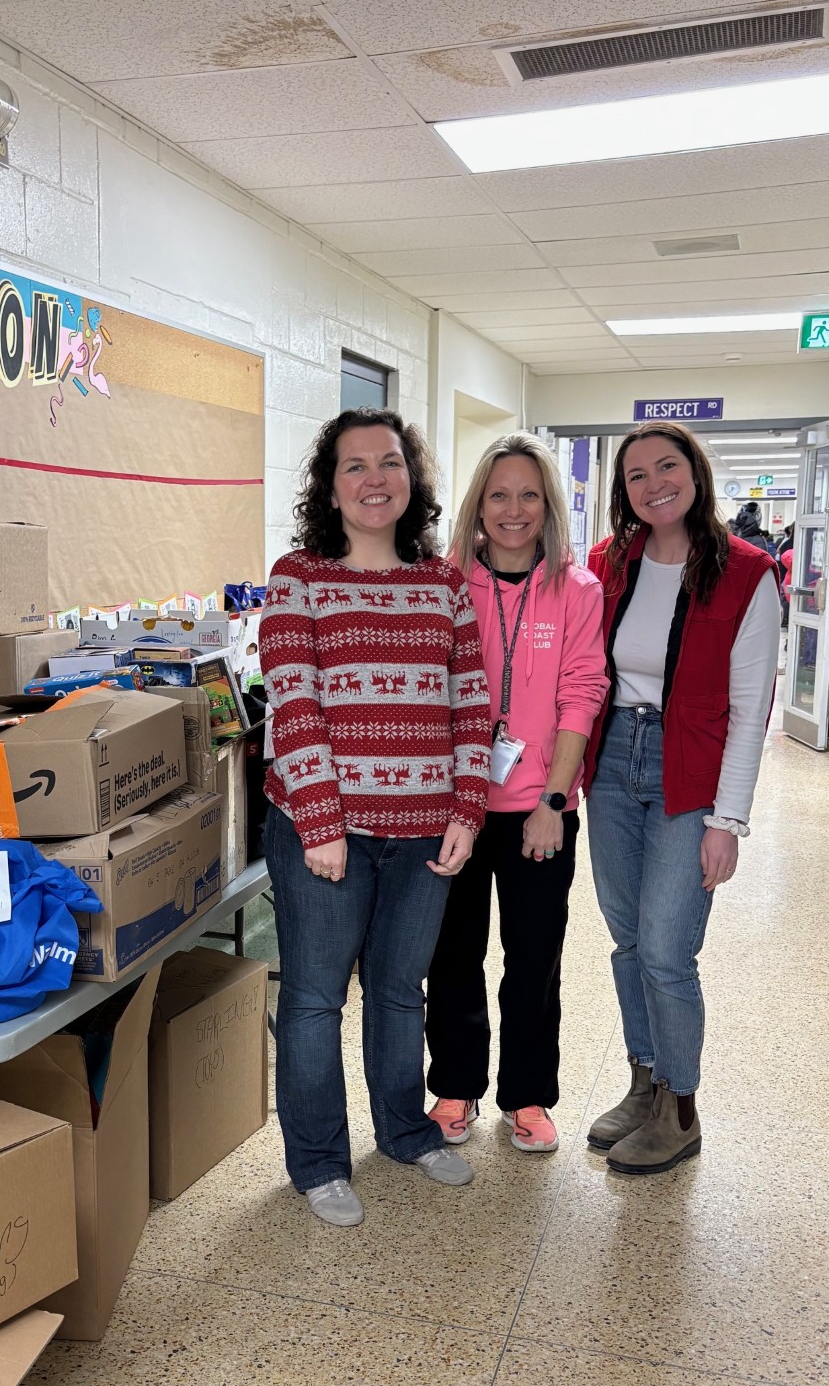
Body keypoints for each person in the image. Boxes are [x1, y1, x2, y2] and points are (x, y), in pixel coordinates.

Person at [259, 408, 491, 1227]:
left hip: (425, 828)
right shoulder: (298, 577)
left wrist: (468, 808)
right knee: (315, 999)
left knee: (398, 992)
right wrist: (320, 821)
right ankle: (319, 1161)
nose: (373, 479)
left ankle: (404, 1131)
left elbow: (472, 703)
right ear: (329, 488)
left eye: (389, 462)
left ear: (411, 479)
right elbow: (294, 704)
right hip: (327, 833)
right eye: (353, 466)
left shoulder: (444, 584)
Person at [582, 421, 779, 1175]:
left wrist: (728, 820)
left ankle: (682, 1106)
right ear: (623, 491)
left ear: (695, 474)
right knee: (628, 939)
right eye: (636, 474)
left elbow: (751, 707)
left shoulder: (746, 572)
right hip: (612, 763)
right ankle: (645, 1083)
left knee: (667, 948)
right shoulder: (608, 562)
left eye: (667, 466)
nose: (654, 484)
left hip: (689, 769)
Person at [424, 434, 608, 1157]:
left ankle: (527, 1096)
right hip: (455, 810)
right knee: (453, 956)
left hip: (540, 810)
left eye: (529, 494)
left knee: (533, 960)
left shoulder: (576, 588)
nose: (513, 509)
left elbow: (581, 694)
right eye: (498, 494)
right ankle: (455, 1085)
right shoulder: (446, 581)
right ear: (478, 505)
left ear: (548, 505)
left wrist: (553, 803)